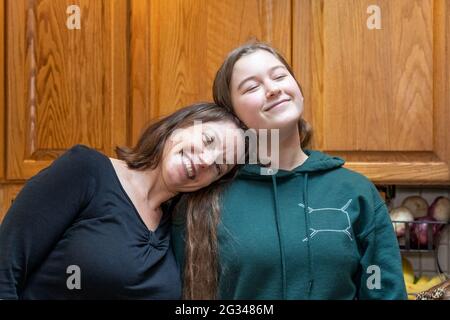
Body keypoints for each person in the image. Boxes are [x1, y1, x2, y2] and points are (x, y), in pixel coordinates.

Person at [172, 43, 407, 300]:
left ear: (299, 91)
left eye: (280, 76)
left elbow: (386, 292)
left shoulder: (356, 192)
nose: (273, 89)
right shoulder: (203, 200)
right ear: (233, 118)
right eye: (252, 87)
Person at [0, 102, 245, 299]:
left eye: (218, 166)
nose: (205, 161)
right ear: (182, 124)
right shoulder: (86, 171)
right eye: (208, 140)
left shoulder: (178, 232)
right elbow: (5, 269)